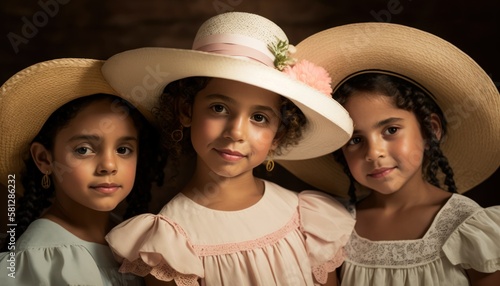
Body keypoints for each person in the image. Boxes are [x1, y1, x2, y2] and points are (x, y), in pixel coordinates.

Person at [102, 12, 356, 286]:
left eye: (259, 118)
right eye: (219, 108)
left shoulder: (307, 219)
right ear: (186, 110)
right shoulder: (170, 244)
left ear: (277, 134)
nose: (235, 132)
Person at [277, 23, 500, 285]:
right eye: (355, 140)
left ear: (431, 130)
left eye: (391, 130)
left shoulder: (472, 228)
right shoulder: (332, 229)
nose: (374, 153)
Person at [0, 58, 166, 285]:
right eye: (84, 149)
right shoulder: (40, 260)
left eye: (123, 149)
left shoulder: (140, 244)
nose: (109, 165)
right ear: (44, 159)